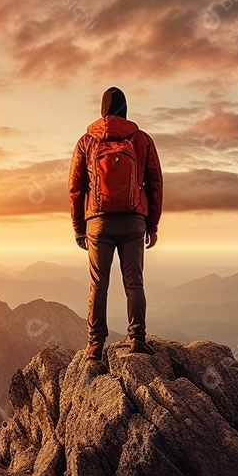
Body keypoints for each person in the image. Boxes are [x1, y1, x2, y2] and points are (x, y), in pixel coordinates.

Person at [68, 87, 163, 365]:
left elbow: (75, 189)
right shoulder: (141, 140)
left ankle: (95, 345)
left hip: (98, 222)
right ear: (125, 110)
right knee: (134, 282)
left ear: (102, 110)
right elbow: (155, 185)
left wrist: (78, 228)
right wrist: (152, 225)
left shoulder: (87, 142)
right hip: (134, 221)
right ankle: (137, 339)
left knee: (98, 284)